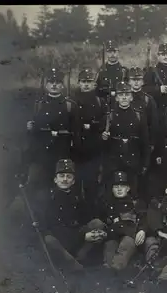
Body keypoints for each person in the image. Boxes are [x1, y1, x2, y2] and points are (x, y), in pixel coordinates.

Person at [38, 159, 106, 271]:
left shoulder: (76, 197)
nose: (65, 179)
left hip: (75, 237)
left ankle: (80, 257)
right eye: (61, 176)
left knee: (97, 224)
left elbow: (86, 218)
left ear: (73, 181)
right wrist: (83, 235)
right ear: (55, 179)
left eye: (69, 176)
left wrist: (96, 232)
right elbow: (56, 228)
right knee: (50, 240)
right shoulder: (49, 199)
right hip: (60, 239)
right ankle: (73, 264)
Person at [23, 68, 80, 197]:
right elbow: (32, 132)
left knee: (63, 191)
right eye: (51, 82)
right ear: (46, 85)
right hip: (42, 155)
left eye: (57, 82)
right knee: (38, 188)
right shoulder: (39, 105)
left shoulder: (70, 106)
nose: (54, 85)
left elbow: (76, 133)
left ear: (62, 85)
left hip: (62, 154)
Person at [101, 82, 150, 199]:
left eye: (127, 94)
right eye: (121, 94)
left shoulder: (139, 115)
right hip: (114, 162)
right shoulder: (109, 116)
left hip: (133, 161)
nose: (124, 97)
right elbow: (103, 146)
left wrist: (145, 164)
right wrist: (104, 138)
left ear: (131, 97)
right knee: (113, 193)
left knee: (132, 192)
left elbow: (145, 142)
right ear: (116, 98)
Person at [72, 67, 107, 210]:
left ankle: (92, 212)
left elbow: (104, 123)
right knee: (75, 184)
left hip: (94, 151)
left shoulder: (100, 102)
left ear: (94, 84)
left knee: (92, 184)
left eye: (89, 81)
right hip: (75, 150)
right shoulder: (72, 102)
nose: (86, 84)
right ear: (79, 83)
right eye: (83, 81)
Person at [102, 171, 148, 271]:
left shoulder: (136, 203)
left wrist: (142, 230)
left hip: (130, 236)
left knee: (119, 260)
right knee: (108, 257)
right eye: (116, 186)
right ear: (112, 189)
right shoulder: (108, 203)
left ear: (128, 188)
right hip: (113, 236)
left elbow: (144, 219)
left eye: (122, 186)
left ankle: (116, 273)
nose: (119, 189)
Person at [129, 66, 160, 203]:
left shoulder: (148, 100)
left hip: (144, 143)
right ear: (129, 81)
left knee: (145, 174)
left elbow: (154, 124)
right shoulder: (124, 98)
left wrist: (152, 143)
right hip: (128, 144)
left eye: (138, 80)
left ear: (142, 82)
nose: (136, 83)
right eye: (133, 80)